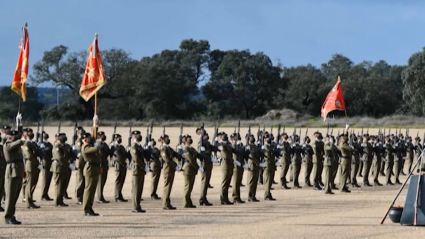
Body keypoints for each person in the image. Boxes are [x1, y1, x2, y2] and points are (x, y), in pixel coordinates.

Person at [4, 126, 25, 224]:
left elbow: (20, 138)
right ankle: (8, 217)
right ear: (9, 137)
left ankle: (12, 215)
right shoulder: (7, 145)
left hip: (18, 171)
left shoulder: (15, 145)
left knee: (15, 196)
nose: (16, 137)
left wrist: (19, 124)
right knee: (10, 196)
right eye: (14, 136)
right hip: (12, 172)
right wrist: (20, 139)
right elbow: (20, 141)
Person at [81, 132, 101, 216]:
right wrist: (97, 143)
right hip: (90, 170)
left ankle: (90, 207)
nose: (90, 139)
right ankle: (86, 209)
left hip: (95, 169)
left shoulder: (90, 146)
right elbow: (96, 149)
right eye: (89, 138)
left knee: (92, 191)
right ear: (85, 139)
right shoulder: (85, 147)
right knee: (88, 190)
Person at [22, 128, 41, 209]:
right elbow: (29, 156)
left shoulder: (33, 143)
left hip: (35, 166)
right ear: (25, 135)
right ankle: (29, 203)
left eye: (31, 132)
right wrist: (37, 164)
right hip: (30, 166)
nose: (31, 134)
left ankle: (30, 200)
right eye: (29, 133)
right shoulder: (26, 144)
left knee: (33, 184)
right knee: (29, 185)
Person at [130, 130, 147, 213]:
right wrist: (144, 167)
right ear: (134, 137)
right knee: (136, 189)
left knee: (139, 189)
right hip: (137, 169)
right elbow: (136, 159)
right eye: (138, 135)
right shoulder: (134, 146)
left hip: (140, 170)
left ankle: (138, 205)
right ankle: (135, 206)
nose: (140, 136)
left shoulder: (139, 146)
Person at [182, 134, 201, 208]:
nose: (190, 139)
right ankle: (186, 203)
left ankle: (189, 202)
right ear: (185, 140)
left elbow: (197, 155)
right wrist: (198, 167)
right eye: (188, 138)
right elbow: (191, 160)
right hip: (188, 169)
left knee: (190, 187)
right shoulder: (186, 149)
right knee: (187, 187)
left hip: (192, 169)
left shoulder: (191, 148)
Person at [51, 133, 70, 207]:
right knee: (58, 185)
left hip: (63, 167)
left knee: (62, 185)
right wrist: (67, 165)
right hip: (58, 167)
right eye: (62, 137)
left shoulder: (63, 146)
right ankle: (57, 201)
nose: (64, 138)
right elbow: (60, 157)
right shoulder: (57, 146)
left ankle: (60, 200)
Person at [197, 129, 214, 206]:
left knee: (206, 183)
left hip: (208, 165)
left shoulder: (206, 142)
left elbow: (212, 148)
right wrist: (208, 154)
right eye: (206, 135)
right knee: (204, 183)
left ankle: (204, 198)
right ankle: (202, 199)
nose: (207, 136)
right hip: (204, 165)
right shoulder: (201, 143)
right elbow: (201, 153)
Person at [160, 134, 178, 210]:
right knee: (167, 186)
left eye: (168, 138)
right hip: (167, 169)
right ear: (163, 140)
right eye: (166, 138)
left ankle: (168, 202)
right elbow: (167, 160)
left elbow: (174, 154)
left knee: (169, 186)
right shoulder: (163, 148)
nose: (168, 139)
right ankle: (165, 203)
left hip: (171, 169)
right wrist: (175, 165)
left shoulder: (168, 148)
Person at [218, 132, 235, 205]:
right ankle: (223, 199)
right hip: (225, 165)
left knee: (228, 183)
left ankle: (226, 198)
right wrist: (233, 160)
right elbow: (225, 155)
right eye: (223, 136)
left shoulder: (228, 144)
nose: (225, 136)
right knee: (224, 183)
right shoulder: (221, 145)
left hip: (230, 165)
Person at [111, 134, 128, 202]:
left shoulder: (121, 147)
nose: (120, 139)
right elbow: (118, 157)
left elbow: (125, 155)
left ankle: (119, 194)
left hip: (123, 165)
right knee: (118, 181)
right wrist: (123, 163)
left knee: (121, 181)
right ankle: (117, 196)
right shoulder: (114, 147)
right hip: (118, 165)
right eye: (118, 138)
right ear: (115, 139)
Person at [231, 133, 246, 203]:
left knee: (238, 183)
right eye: (234, 138)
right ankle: (235, 197)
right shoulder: (233, 146)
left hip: (241, 165)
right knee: (235, 183)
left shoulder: (239, 145)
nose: (236, 139)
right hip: (236, 166)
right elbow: (234, 156)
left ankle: (238, 197)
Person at [96, 131, 110, 203]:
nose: (103, 136)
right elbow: (100, 156)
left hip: (105, 165)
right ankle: (99, 197)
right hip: (100, 165)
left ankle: (101, 196)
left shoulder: (105, 144)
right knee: (100, 181)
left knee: (103, 181)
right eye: (102, 135)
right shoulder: (97, 144)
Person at [39, 131, 54, 201]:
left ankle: (46, 193)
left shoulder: (49, 144)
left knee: (48, 179)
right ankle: (43, 195)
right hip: (45, 163)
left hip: (50, 163)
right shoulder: (40, 144)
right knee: (45, 179)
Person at [246, 134, 260, 202]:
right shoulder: (248, 147)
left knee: (255, 182)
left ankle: (253, 195)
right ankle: (250, 196)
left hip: (256, 166)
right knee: (251, 182)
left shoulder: (255, 146)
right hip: (252, 166)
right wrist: (258, 162)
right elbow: (251, 156)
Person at [262, 133, 276, 201]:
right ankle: (266, 195)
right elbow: (268, 156)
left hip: (271, 165)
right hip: (267, 165)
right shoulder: (264, 147)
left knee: (270, 181)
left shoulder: (270, 147)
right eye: (267, 138)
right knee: (267, 181)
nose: (268, 139)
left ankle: (268, 194)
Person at [74, 126, 85, 205]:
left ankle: (82, 197)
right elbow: (81, 150)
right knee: (80, 181)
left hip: (84, 163)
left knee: (84, 181)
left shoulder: (82, 140)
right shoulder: (78, 141)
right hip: (80, 163)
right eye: (80, 132)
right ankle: (79, 198)